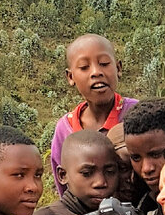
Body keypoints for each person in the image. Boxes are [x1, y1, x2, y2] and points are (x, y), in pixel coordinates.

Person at [49, 34, 138, 194]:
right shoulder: (65, 129)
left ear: (118, 68)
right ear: (71, 77)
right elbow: (64, 187)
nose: (96, 72)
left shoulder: (136, 113)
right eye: (84, 67)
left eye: (104, 64)